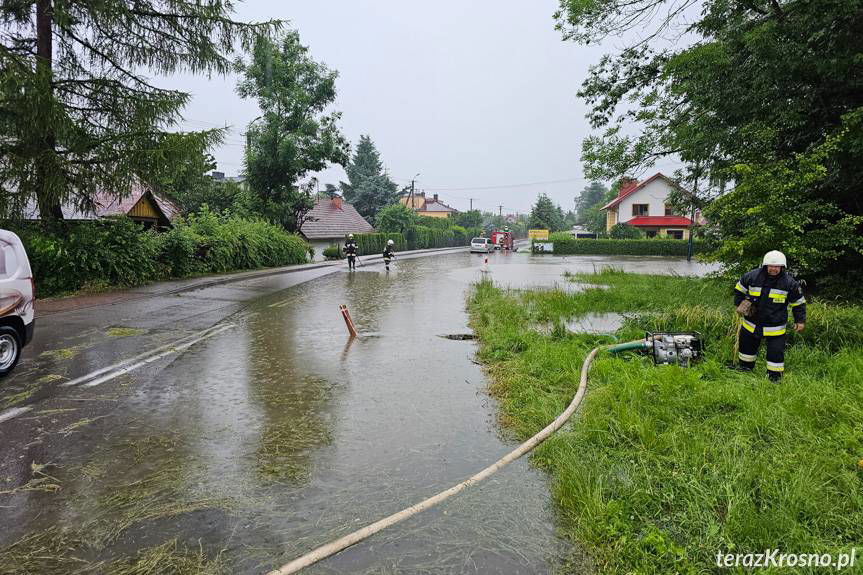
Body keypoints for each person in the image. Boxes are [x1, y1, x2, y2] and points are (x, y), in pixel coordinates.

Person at [733, 250, 806, 381]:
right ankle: (744, 370)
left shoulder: (789, 283)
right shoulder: (751, 277)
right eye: (771, 266)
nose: (773, 269)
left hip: (775, 327)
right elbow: (739, 290)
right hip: (751, 324)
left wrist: (800, 321)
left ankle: (774, 378)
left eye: (776, 266)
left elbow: (798, 303)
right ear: (765, 265)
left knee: (775, 354)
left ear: (782, 267)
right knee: (746, 350)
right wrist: (741, 304)